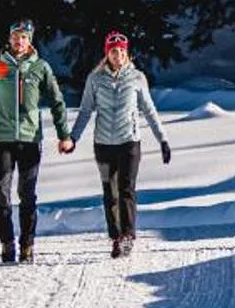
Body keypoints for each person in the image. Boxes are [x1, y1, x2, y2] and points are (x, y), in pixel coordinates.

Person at [0, 19, 71, 265]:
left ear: (30, 41)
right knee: (1, 194)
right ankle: (7, 243)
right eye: (15, 36)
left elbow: (57, 101)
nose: (19, 41)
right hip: (4, 140)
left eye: (24, 37)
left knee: (27, 194)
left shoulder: (40, 67)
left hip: (30, 140)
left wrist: (64, 135)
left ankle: (27, 245)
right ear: (9, 39)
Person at [67, 30, 171, 259]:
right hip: (103, 144)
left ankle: (127, 236)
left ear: (127, 53)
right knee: (109, 193)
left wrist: (162, 139)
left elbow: (149, 110)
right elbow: (85, 111)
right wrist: (73, 138)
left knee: (126, 189)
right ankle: (115, 237)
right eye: (114, 51)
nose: (118, 56)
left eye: (122, 51)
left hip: (129, 142)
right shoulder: (95, 79)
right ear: (107, 54)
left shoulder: (137, 78)